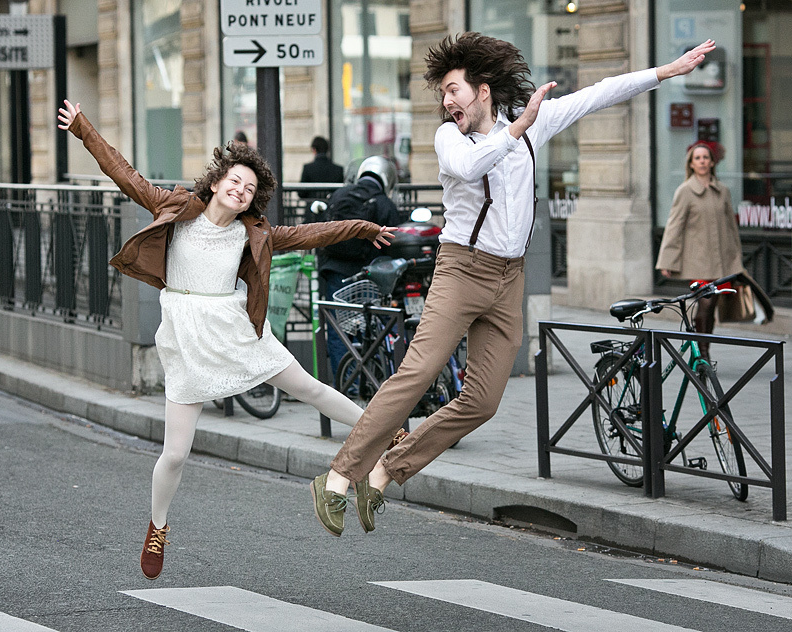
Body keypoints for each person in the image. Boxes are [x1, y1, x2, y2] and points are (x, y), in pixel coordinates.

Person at [309, 32, 718, 537]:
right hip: (461, 271)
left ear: (482, 90)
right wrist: (518, 127)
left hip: (509, 279)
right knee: (416, 376)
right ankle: (336, 477)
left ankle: (388, 470)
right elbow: (469, 165)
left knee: (482, 401)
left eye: (454, 90)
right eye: (442, 93)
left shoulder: (529, 127)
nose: (446, 101)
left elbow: (599, 93)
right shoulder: (450, 138)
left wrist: (664, 72)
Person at [57, 99, 395, 579]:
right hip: (187, 334)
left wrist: (361, 226)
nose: (240, 190)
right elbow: (125, 174)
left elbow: (312, 233)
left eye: (250, 187)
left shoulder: (252, 233)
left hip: (235, 330)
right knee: (175, 452)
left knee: (309, 388)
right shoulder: (175, 207)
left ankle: (384, 431)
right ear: (216, 182)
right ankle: (157, 526)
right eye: (234, 180)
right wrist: (84, 129)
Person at [655, 141, 743, 359]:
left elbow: (731, 228)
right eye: (698, 158)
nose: (702, 161)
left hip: (721, 260)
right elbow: (674, 226)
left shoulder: (722, 191)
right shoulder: (685, 191)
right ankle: (702, 353)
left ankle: (703, 348)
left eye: (706, 158)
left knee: (712, 306)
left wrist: (736, 260)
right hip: (697, 260)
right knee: (704, 304)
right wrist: (667, 261)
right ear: (691, 164)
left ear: (712, 162)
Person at [319, 155, 401, 376]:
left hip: (336, 271)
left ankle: (346, 386)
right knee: (371, 328)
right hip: (368, 275)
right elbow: (393, 243)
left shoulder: (339, 194)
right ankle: (372, 380)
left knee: (339, 331)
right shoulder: (385, 203)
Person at [300, 136, 344, 200]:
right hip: (332, 207)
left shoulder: (308, 168)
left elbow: (301, 193)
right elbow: (341, 192)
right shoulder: (338, 169)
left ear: (314, 149)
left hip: (312, 206)